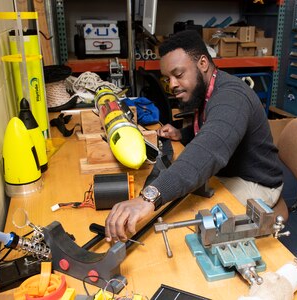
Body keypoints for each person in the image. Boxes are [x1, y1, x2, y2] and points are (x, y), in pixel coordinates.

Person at [105, 30, 283, 243]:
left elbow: (209, 149)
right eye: (167, 78)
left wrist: (148, 198)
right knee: (180, 207)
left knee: (194, 225)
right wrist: (182, 133)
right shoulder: (209, 89)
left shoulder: (231, 97)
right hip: (229, 172)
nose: (171, 85)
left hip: (256, 182)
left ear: (203, 63)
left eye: (178, 75)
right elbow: (212, 128)